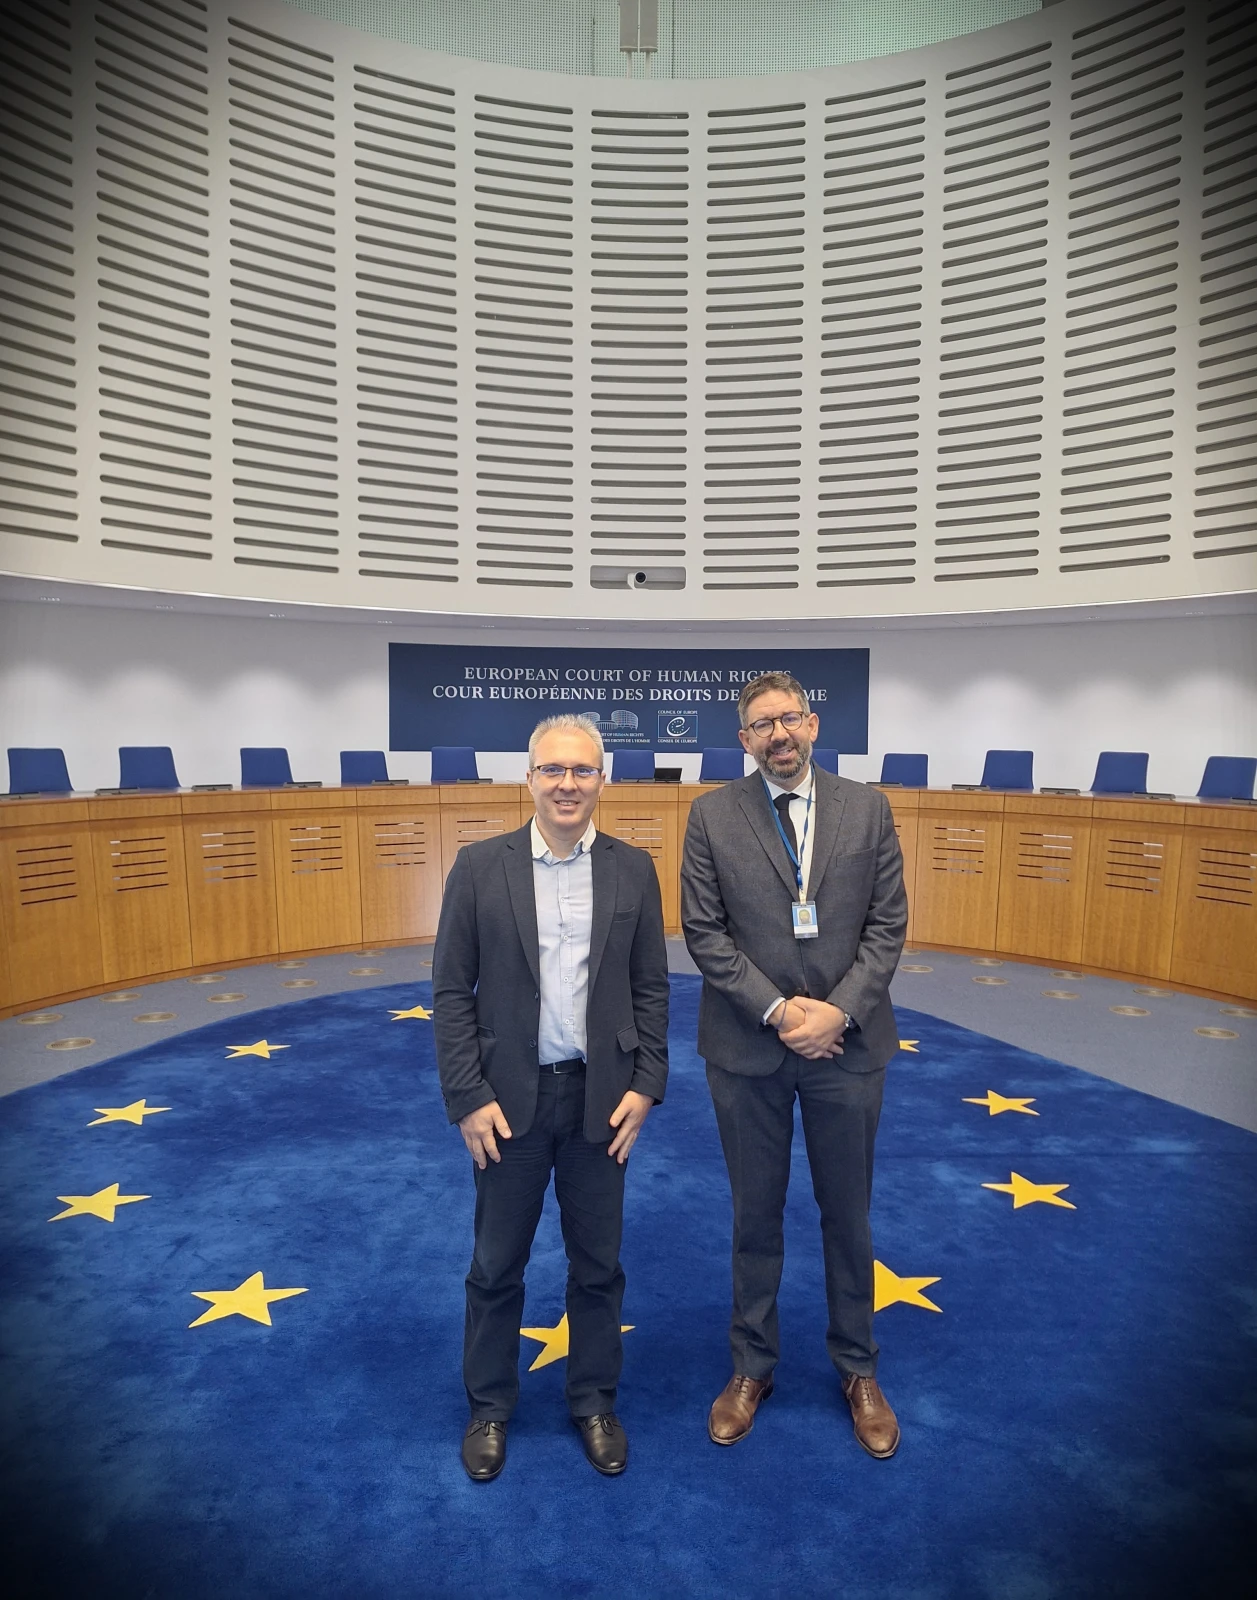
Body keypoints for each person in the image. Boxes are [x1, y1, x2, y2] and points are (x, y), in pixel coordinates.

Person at [433, 714, 670, 1482]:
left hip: (602, 1103)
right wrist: (467, 1094)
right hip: (507, 1104)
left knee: (598, 1266)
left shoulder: (634, 869)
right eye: (553, 770)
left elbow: (650, 987)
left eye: (582, 770)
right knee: (495, 1265)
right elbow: (451, 991)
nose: (567, 784)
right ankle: (489, 1407)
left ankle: (593, 1400)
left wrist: (647, 1084)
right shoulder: (478, 867)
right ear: (528, 778)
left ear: (603, 779)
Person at [681, 672, 908, 1458]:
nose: (777, 734)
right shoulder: (710, 815)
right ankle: (752, 1366)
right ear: (743, 740)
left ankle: (857, 1367)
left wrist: (836, 1013)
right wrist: (781, 1013)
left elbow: (887, 925)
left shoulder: (867, 808)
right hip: (748, 1048)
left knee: (847, 1214)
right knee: (755, 1214)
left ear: (810, 724)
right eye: (760, 724)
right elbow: (704, 933)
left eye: (788, 718)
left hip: (848, 1046)